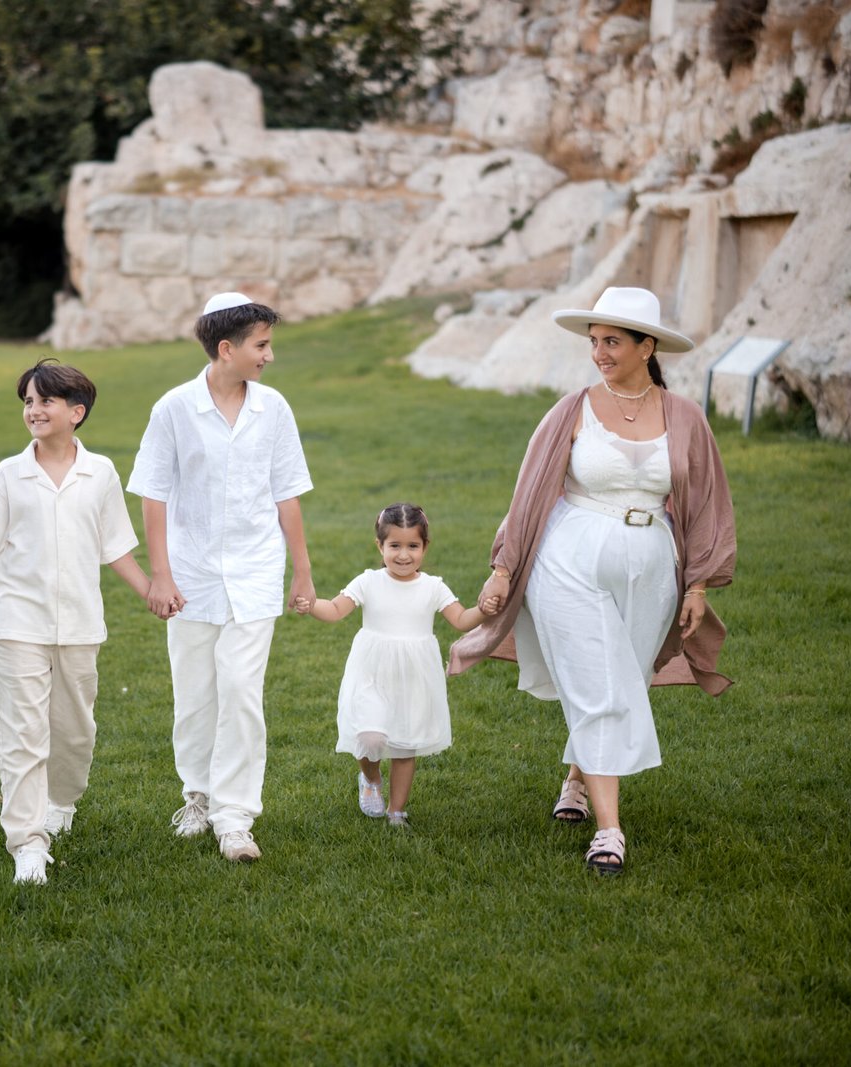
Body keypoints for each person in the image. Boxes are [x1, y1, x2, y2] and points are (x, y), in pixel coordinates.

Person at [449, 287, 736, 876]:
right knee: (601, 684)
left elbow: (707, 503)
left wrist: (699, 585)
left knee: (623, 674)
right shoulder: (571, 409)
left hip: (653, 567)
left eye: (612, 342)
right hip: (569, 558)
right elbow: (530, 490)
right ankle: (610, 832)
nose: (599, 353)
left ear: (646, 346)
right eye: (594, 342)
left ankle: (576, 783)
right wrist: (504, 569)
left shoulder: (685, 417)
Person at [0, 359, 151, 886]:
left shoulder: (102, 474)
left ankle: (61, 802)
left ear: (77, 411)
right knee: (21, 737)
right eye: (27, 401)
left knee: (74, 734)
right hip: (15, 624)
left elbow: (116, 547)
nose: (34, 410)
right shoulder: (8, 475)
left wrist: (152, 592)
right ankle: (27, 842)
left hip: (80, 627)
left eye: (45, 401)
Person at [127, 291, 315, 863]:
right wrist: (159, 575)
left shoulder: (273, 409)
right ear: (227, 348)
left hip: (256, 573)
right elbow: (153, 494)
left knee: (240, 691)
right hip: (191, 577)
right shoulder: (174, 409)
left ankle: (235, 815)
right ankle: (198, 797)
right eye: (262, 346)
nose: (269, 356)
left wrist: (302, 571)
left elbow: (287, 492)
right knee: (195, 694)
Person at [293, 503, 487, 826]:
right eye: (394, 545)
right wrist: (311, 605)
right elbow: (336, 610)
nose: (403, 555)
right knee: (369, 738)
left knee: (404, 744)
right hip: (372, 671)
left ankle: (397, 811)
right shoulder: (369, 582)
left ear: (425, 547)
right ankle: (370, 778)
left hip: (413, 676)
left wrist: (484, 608)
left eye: (413, 546)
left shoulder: (433, 587)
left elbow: (462, 619)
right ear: (379, 546)